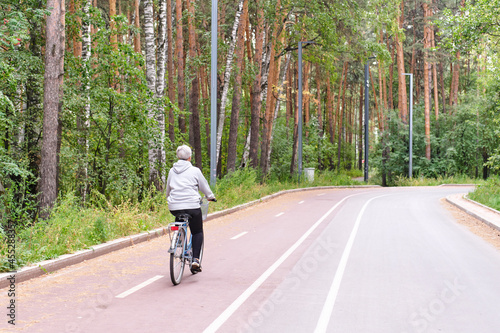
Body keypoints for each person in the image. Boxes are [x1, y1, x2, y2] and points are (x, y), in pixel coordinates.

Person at [166, 145, 216, 273]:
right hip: (192, 206)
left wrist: (170, 199)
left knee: (179, 217)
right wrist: (210, 196)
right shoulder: (195, 170)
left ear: (178, 157)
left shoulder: (172, 171)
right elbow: (204, 186)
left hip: (175, 206)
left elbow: (168, 190)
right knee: (197, 231)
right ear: (189, 157)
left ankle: (178, 240)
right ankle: (195, 260)